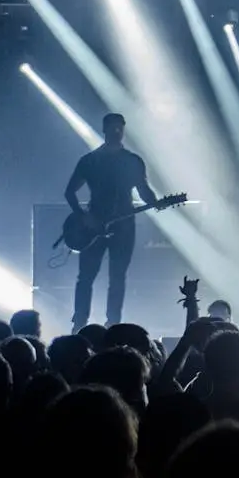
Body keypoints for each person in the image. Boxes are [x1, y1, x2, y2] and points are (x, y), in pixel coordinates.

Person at [64, 112, 157, 331]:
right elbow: (70, 192)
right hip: (92, 226)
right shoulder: (90, 160)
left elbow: (144, 191)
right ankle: (79, 322)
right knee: (86, 276)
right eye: (112, 128)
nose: (117, 131)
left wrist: (156, 202)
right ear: (104, 129)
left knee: (117, 276)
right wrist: (83, 216)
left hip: (123, 226)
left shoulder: (132, 161)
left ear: (123, 130)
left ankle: (113, 323)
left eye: (120, 128)